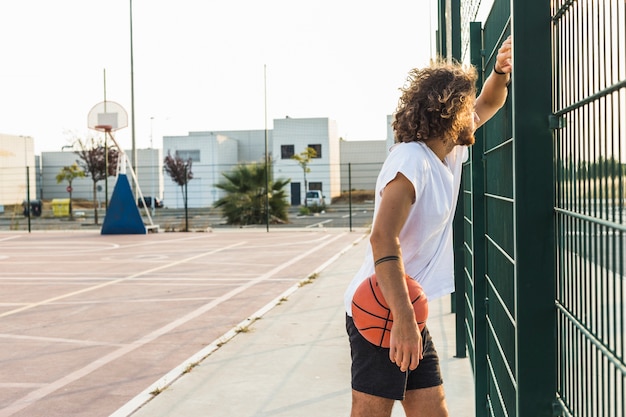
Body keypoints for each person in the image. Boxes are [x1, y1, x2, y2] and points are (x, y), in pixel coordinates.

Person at [344, 36, 512, 417]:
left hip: (406, 308)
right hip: (382, 309)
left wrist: (501, 71)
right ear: (449, 114)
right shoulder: (411, 161)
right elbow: (382, 238)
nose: (474, 114)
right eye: (466, 108)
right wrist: (403, 320)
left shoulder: (448, 152)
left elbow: (489, 101)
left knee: (432, 409)